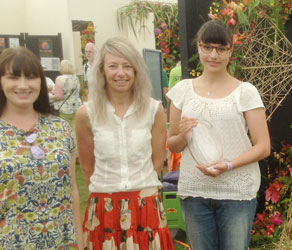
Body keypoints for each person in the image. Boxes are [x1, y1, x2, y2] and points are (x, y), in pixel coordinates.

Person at [166, 20, 270, 250]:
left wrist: (229, 165)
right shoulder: (182, 91)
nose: (213, 55)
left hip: (237, 193)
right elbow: (172, 145)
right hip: (195, 193)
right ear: (198, 48)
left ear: (230, 51)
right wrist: (183, 136)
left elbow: (263, 146)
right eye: (207, 47)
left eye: (221, 49)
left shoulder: (245, 92)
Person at [75, 37, 173, 249]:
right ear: (102, 70)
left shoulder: (154, 110)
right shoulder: (86, 114)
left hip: (145, 206)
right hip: (104, 209)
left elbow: (157, 164)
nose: (121, 73)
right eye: (113, 66)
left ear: (136, 71)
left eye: (127, 66)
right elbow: (86, 167)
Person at [0, 47, 82, 248]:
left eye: (30, 77)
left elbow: (73, 190)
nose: (23, 85)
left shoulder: (60, 128)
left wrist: (80, 241)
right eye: (13, 77)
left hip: (58, 242)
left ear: (41, 81)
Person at [50, 60, 82, 130]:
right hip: (76, 107)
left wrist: (49, 97)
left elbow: (58, 96)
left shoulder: (60, 78)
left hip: (65, 108)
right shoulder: (76, 78)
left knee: (65, 129)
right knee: (75, 129)